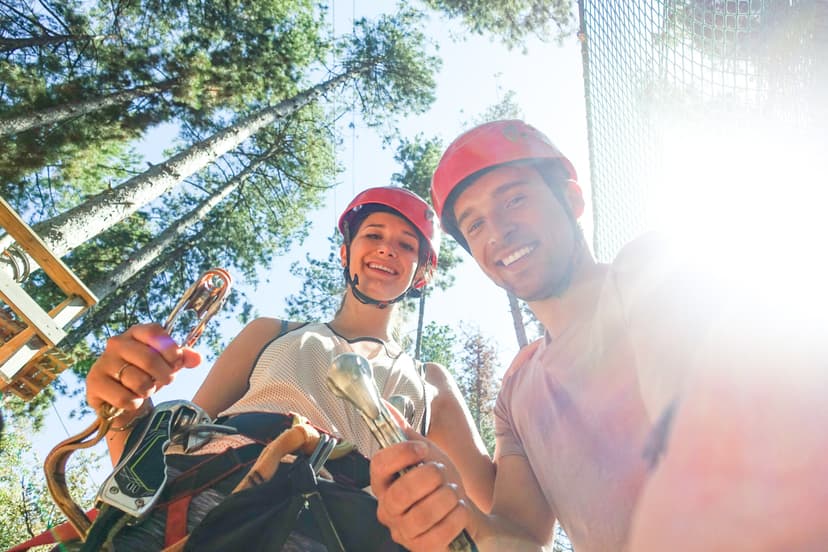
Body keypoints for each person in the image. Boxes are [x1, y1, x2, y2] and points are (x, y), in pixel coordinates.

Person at [369, 120, 730, 551]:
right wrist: (454, 515)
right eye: (476, 225)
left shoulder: (655, 272)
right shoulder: (518, 395)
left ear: (572, 199)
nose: (499, 231)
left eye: (515, 199)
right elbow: (519, 538)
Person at [83, 186, 495, 549]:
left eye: (407, 245)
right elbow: (173, 447)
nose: (387, 248)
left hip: (344, 530)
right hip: (195, 497)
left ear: (421, 273)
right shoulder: (270, 332)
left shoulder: (430, 382)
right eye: (373, 235)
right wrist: (123, 406)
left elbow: (499, 510)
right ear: (345, 253)